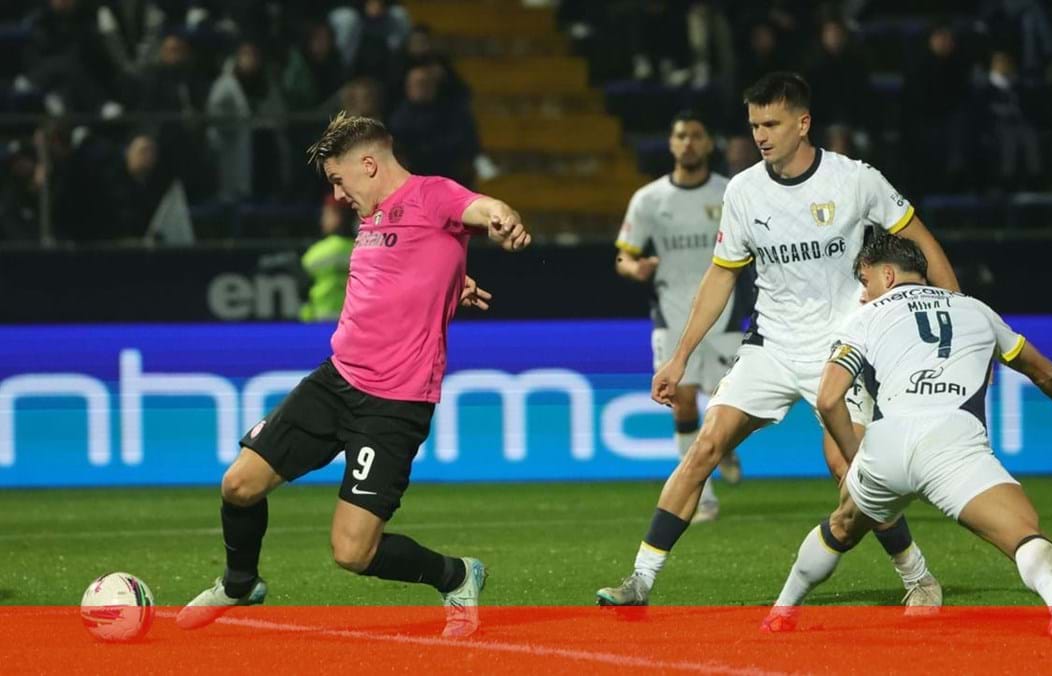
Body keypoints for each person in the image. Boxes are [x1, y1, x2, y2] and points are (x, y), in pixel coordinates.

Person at [596, 72, 959, 608]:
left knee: (850, 467)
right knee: (704, 448)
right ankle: (640, 581)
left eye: (772, 123)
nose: (761, 135)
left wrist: (960, 313)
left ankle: (918, 577)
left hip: (843, 347)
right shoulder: (743, 191)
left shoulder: (855, 180)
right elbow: (721, 276)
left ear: (802, 123)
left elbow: (918, 237)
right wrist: (679, 358)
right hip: (770, 345)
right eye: (754, 125)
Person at [176, 112, 528, 638]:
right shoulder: (373, 214)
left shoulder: (432, 195)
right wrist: (452, 284)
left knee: (352, 552)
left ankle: (455, 575)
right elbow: (403, 275)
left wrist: (502, 216)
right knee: (239, 485)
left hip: (395, 404)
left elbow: (479, 208)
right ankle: (239, 582)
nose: (338, 196)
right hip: (336, 380)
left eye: (339, 181)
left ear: (368, 164)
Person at [761, 234, 1052, 638]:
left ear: (888, 275)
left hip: (887, 442)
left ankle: (782, 611)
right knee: (1023, 533)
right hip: (953, 445)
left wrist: (859, 459)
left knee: (842, 524)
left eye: (865, 280)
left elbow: (827, 399)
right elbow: (1045, 373)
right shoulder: (977, 310)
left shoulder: (865, 318)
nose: (863, 294)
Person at [615, 111, 749, 524]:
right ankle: (702, 497)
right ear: (671, 145)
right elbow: (624, 253)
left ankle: (723, 446)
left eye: (695, 135)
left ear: (708, 144)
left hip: (725, 314)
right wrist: (632, 268)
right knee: (683, 401)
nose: (687, 143)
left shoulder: (732, 193)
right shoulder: (649, 199)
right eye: (680, 136)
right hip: (672, 312)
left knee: (727, 404)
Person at [299, 195, 356, 322]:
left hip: (319, 322)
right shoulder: (362, 249)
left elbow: (303, 284)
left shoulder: (319, 252)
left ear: (337, 216)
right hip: (352, 322)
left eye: (326, 214)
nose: (322, 219)